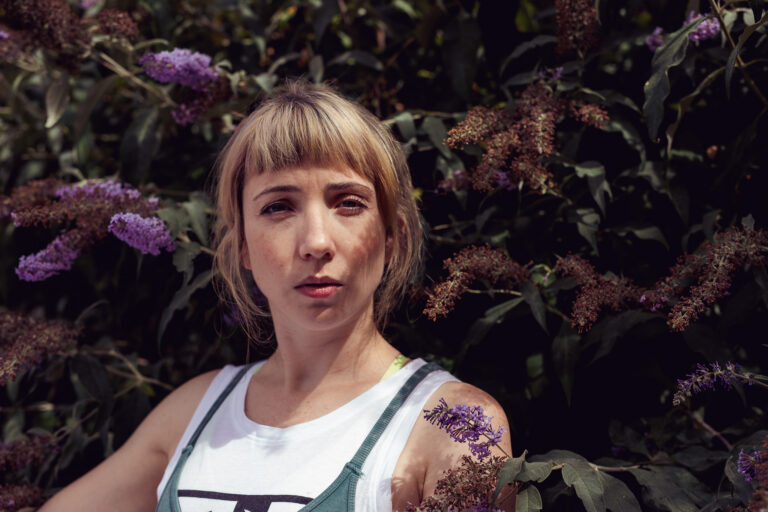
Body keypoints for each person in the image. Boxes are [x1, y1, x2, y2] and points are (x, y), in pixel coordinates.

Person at [39, 80, 512, 512]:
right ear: (242, 244)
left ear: (392, 236)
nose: (316, 243)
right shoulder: (195, 412)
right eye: (278, 207)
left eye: (348, 203)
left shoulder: (456, 425)